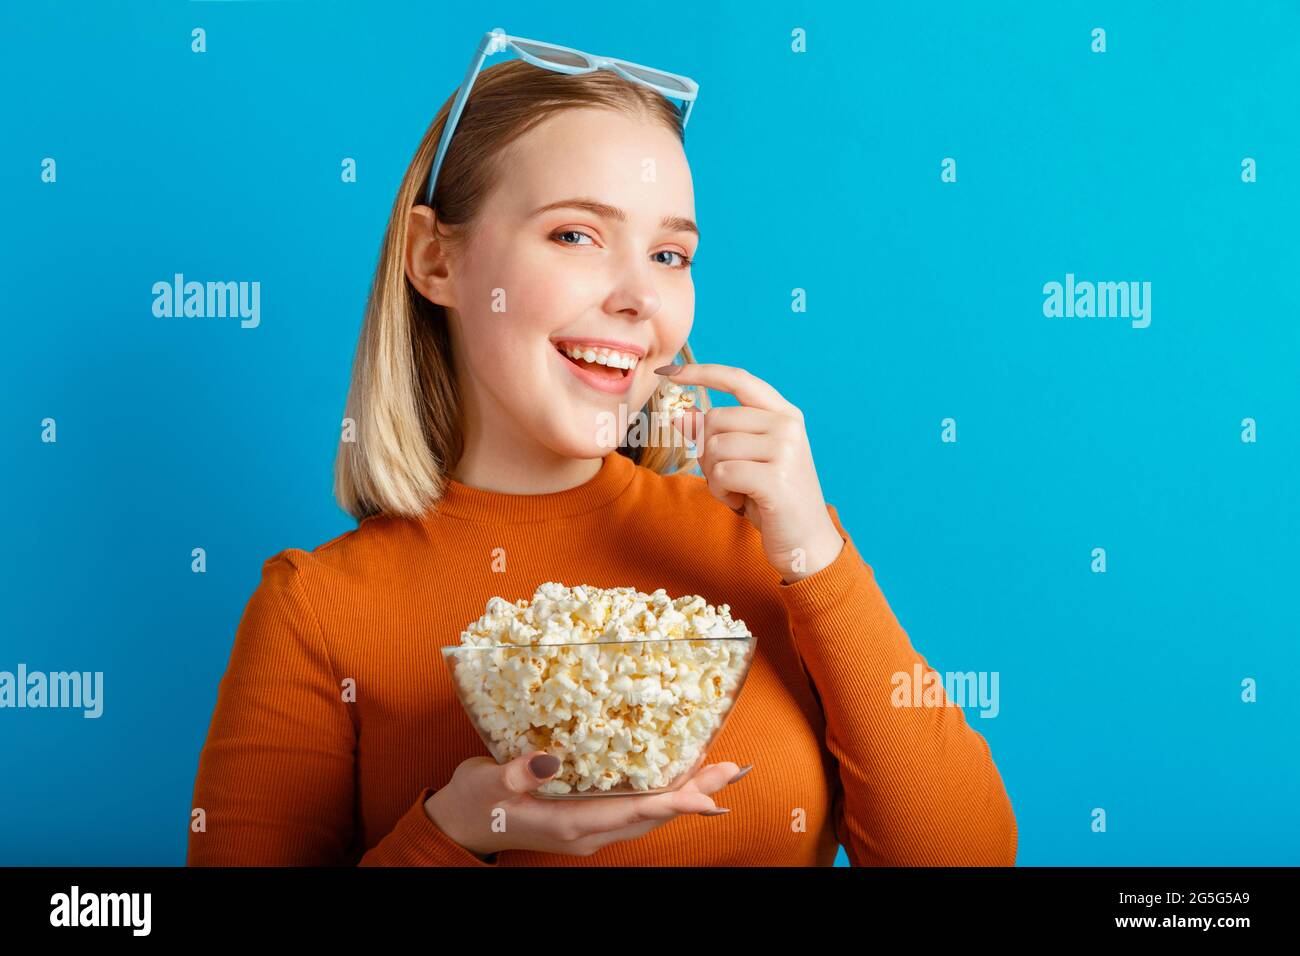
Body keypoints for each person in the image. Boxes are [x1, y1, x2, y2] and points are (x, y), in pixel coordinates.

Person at [186, 39, 1017, 867]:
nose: (638, 298)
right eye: (577, 235)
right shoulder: (319, 609)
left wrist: (815, 556)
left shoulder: (763, 550)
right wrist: (455, 834)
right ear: (435, 257)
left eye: (669, 255)